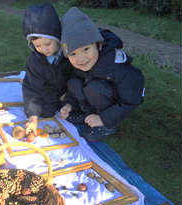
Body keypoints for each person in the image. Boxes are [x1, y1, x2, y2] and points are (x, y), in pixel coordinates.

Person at [57, 7, 144, 140]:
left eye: (86, 49)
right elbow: (75, 89)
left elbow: (131, 100)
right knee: (74, 83)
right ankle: (85, 113)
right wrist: (69, 104)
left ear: (98, 45)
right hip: (94, 97)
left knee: (94, 88)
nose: (81, 58)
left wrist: (103, 119)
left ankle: (106, 125)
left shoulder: (116, 66)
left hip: (113, 102)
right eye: (73, 54)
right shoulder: (79, 64)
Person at [21, 3, 71, 138]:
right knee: (45, 112)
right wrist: (32, 116)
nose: (44, 49)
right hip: (51, 89)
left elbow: (78, 75)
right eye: (38, 46)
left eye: (48, 44)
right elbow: (32, 87)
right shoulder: (35, 61)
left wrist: (69, 93)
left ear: (57, 37)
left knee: (74, 109)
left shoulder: (70, 53)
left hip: (71, 89)